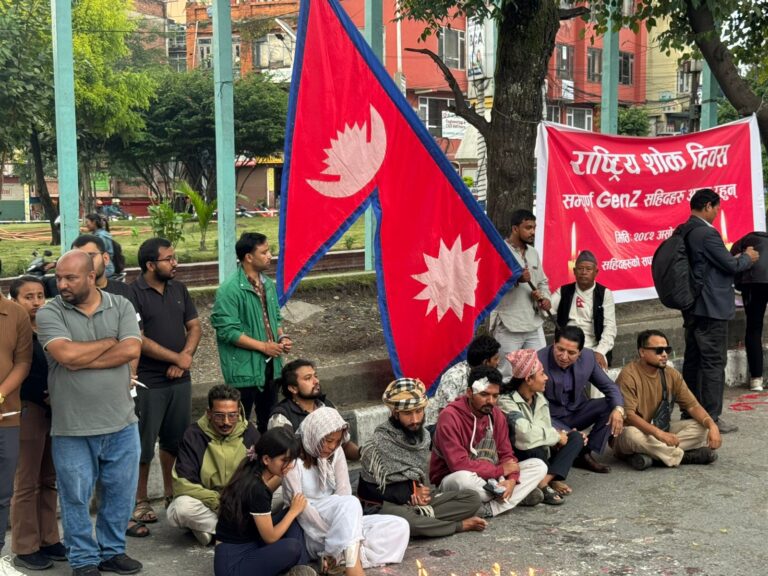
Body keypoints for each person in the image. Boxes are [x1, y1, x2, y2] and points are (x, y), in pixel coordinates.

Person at [36, 250, 143, 576]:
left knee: (120, 495)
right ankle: (83, 559)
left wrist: (83, 359)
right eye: (59, 278)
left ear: (91, 277)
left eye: (70, 278)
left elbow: (131, 348)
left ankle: (112, 552)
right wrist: (109, 342)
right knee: (75, 498)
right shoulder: (50, 311)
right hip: (73, 427)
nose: (61, 284)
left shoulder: (121, 305)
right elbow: (66, 355)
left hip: (122, 423)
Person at [283, 407, 409, 575]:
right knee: (350, 504)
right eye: (328, 440)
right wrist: (339, 533)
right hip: (312, 532)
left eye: (337, 441)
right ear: (315, 435)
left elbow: (344, 492)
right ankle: (351, 565)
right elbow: (302, 511)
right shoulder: (292, 462)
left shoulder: (336, 452)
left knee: (400, 526)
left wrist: (348, 531)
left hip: (342, 519)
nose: (332, 446)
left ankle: (337, 559)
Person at [130, 238, 201, 528]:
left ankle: (172, 494)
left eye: (174, 257)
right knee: (143, 444)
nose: (175, 263)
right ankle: (140, 500)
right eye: (168, 259)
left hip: (180, 379)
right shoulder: (133, 294)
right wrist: (176, 358)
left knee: (175, 441)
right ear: (150, 264)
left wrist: (184, 358)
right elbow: (138, 338)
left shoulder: (179, 289)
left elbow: (194, 326)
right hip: (148, 382)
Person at [358, 378, 487, 537]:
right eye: (408, 413)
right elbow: (368, 490)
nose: (415, 420)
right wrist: (410, 493)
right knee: (408, 522)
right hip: (385, 505)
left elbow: (414, 478)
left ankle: (425, 521)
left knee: (472, 498)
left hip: (414, 504)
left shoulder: (424, 437)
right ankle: (456, 525)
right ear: (396, 414)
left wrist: (419, 493)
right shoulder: (377, 443)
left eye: (419, 411)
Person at [681, 188, 758, 433]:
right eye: (716, 208)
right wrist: (747, 257)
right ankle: (711, 417)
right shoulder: (706, 233)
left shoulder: (684, 230)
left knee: (694, 361)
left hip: (693, 307)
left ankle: (689, 411)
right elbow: (730, 265)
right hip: (711, 308)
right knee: (714, 362)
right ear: (707, 207)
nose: (717, 212)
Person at [429, 365, 548, 518]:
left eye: (495, 396)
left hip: (491, 479)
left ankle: (488, 507)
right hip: (454, 479)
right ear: (470, 392)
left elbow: (507, 456)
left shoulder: (496, 415)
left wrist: (511, 481)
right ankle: (512, 497)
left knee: (538, 466)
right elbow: (458, 464)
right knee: (464, 479)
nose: (490, 401)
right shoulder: (450, 416)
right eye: (484, 394)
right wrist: (500, 471)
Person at [9, 278, 66, 571]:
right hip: (27, 409)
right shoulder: (12, 332)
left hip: (57, 412)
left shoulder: (50, 329)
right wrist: (43, 395)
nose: (36, 302)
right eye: (28, 297)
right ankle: (25, 546)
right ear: (14, 301)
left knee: (49, 478)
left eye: (40, 296)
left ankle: (49, 538)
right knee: (26, 481)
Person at [212, 233, 293, 432]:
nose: (270, 256)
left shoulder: (268, 285)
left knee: (270, 423)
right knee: (238, 426)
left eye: (269, 251)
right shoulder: (229, 290)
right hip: (243, 370)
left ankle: (267, 453)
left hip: (271, 366)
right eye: (264, 252)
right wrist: (263, 347)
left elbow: (275, 318)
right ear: (248, 257)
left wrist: (281, 336)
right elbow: (227, 331)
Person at [613, 330, 722, 470]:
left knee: (703, 428)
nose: (664, 354)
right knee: (631, 435)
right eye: (659, 350)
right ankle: (683, 457)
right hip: (632, 432)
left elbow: (693, 406)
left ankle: (653, 456)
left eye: (667, 350)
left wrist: (712, 425)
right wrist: (660, 434)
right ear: (642, 352)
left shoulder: (671, 374)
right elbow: (630, 416)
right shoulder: (628, 375)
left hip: (660, 430)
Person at [215, 427, 316, 576]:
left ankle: (299, 569)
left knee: (293, 517)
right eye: (285, 460)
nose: (290, 465)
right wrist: (293, 511)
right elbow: (270, 538)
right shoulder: (256, 489)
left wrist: (292, 510)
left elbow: (268, 488)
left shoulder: (252, 469)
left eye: (291, 460)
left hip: (249, 540)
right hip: (233, 564)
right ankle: (300, 569)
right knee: (293, 546)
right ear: (267, 459)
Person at [167, 385, 260, 546]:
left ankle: (212, 531)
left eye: (232, 415)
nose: (226, 422)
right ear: (209, 413)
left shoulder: (250, 432)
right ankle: (242, 532)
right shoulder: (193, 435)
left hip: (241, 500)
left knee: (282, 491)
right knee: (179, 509)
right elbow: (182, 484)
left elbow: (263, 473)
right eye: (219, 416)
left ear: (239, 412)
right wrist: (218, 501)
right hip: (210, 502)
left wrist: (240, 499)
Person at [499, 349, 583, 502]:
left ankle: (544, 480)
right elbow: (525, 434)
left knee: (576, 438)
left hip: (543, 450)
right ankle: (546, 484)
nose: (546, 378)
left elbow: (545, 428)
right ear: (528, 379)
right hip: (522, 453)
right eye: (542, 374)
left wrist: (559, 439)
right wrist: (556, 436)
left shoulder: (539, 398)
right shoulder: (506, 401)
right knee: (534, 446)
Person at [539, 325, 625, 474]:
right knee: (571, 438)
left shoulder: (588, 357)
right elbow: (532, 406)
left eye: (571, 353)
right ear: (553, 343)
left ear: (580, 352)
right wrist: (570, 434)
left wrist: (618, 410)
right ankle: (571, 448)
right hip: (548, 418)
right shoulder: (538, 360)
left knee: (613, 404)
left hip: (577, 412)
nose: (564, 356)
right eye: (560, 349)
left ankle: (585, 452)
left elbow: (609, 387)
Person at [491, 209, 552, 379]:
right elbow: (490, 283)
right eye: (528, 227)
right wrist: (515, 279)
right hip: (509, 323)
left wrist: (545, 299)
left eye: (534, 227)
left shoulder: (533, 252)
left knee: (539, 370)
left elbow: (542, 282)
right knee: (507, 374)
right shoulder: (500, 251)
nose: (532, 232)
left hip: (533, 323)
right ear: (515, 229)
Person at [0, 283, 33, 576]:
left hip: (6, 416)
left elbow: (23, 362)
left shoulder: (15, 313)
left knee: (2, 492)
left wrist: (0, 394)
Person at [267, 359, 359, 461]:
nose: (316, 381)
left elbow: (344, 445)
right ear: (293, 388)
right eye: (308, 378)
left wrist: (362, 453)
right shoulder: (281, 417)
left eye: (315, 376)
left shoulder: (327, 406)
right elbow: (285, 457)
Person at [550, 250, 616, 369]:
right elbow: (546, 311)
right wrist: (542, 303)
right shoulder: (564, 291)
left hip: (594, 347)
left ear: (596, 272)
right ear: (574, 271)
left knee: (599, 373)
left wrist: (600, 352)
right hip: (567, 346)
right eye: (580, 269)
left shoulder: (605, 294)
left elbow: (610, 327)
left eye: (588, 269)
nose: (584, 272)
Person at [425, 334, 501, 426]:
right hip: (440, 426)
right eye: (496, 359)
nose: (498, 362)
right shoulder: (455, 377)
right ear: (485, 362)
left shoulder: (488, 376)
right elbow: (445, 415)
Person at [731, 228, 768, 391]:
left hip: (753, 283)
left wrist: (740, 285)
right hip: (755, 281)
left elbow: (733, 265)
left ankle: (756, 379)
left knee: (754, 329)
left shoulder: (743, 242)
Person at [71, 234, 133, 302]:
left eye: (91, 256)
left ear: (105, 258)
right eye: (79, 258)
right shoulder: (68, 294)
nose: (85, 262)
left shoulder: (123, 292)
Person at [84, 213, 116, 279]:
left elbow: (103, 254)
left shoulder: (101, 236)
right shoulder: (95, 235)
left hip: (105, 268)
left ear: (94, 222)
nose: (86, 225)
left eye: (87, 222)